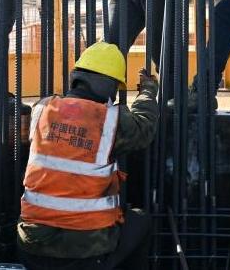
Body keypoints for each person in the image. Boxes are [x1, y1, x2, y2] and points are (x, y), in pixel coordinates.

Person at [17, 42, 159, 270]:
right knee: (140, 221)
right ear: (108, 86)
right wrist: (148, 91)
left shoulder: (41, 108)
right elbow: (144, 128)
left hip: (32, 249)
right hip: (85, 254)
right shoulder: (109, 119)